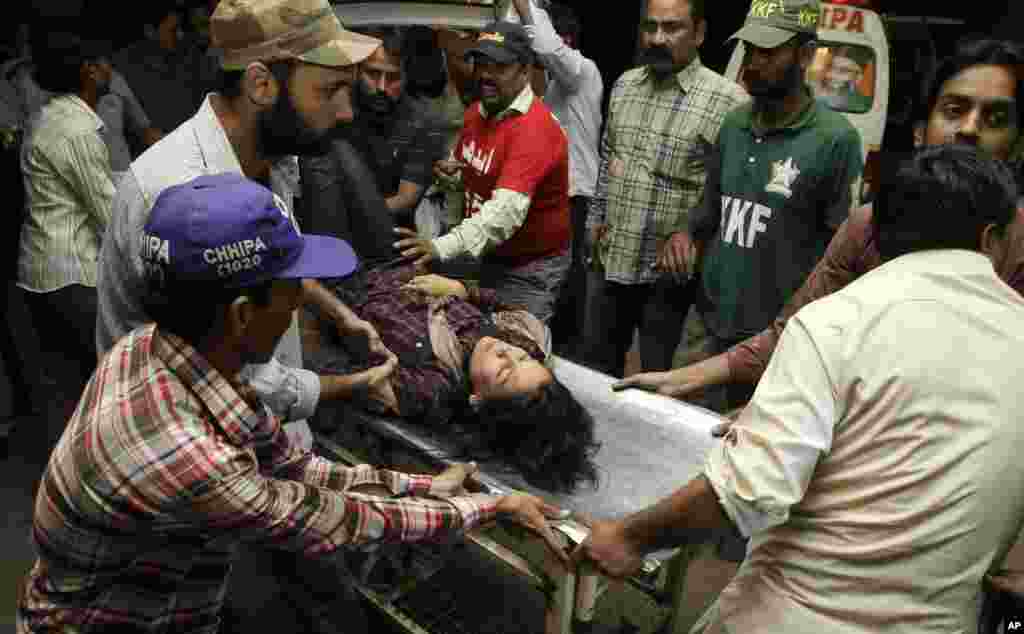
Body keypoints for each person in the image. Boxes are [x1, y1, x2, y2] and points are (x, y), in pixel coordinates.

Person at [16, 173, 566, 634]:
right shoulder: (189, 453)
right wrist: (490, 507)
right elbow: (335, 520)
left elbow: (294, 467)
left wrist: (425, 485)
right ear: (240, 315)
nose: (302, 300)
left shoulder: (158, 349)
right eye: (292, 288)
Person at [577, 144, 1024, 634]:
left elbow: (744, 492)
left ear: (878, 237)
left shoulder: (840, 322)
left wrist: (628, 538)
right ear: (992, 238)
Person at [617, 38, 1024, 416]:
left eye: (995, 117)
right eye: (954, 110)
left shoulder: (1016, 250)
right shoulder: (869, 228)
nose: (970, 129)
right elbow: (796, 330)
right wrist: (686, 377)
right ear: (920, 131)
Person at [96, 0, 396, 453]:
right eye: (330, 90)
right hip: (200, 451)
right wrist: (354, 384)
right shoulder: (179, 196)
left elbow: (269, 257)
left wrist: (340, 314)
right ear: (261, 84)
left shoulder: (275, 158)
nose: (346, 112)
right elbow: (237, 378)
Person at [666, 0, 862, 411]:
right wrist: (684, 232)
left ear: (806, 55)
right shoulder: (735, 123)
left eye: (769, 52)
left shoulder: (835, 140)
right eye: (751, 50)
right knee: (673, 424)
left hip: (776, 339)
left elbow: (841, 253)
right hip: (707, 323)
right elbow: (708, 207)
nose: (754, 63)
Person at [308, 265, 600, 493]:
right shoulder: (528, 341)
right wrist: (461, 288)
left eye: (503, 370)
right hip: (394, 261)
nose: (506, 351)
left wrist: (317, 303)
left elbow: (332, 370)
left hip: (339, 284)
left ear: (478, 401)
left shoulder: (429, 388)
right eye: (523, 358)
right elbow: (504, 305)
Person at [581, 0, 747, 378]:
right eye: (650, 27)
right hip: (612, 259)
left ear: (700, 34)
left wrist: (695, 238)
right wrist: (594, 219)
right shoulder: (625, 85)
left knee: (659, 382)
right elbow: (610, 157)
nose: (658, 38)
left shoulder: (729, 101)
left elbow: (731, 189)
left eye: (672, 28)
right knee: (596, 371)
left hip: (670, 279)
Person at [393, 21, 571, 324]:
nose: (485, 75)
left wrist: (438, 246)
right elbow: (473, 178)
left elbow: (502, 216)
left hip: (529, 268)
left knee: (517, 350)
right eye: (481, 64)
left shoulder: (535, 130)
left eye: (499, 67)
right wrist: (453, 179)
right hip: (486, 254)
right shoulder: (478, 112)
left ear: (525, 71)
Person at [18, 32, 116, 393]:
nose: (112, 72)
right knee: (106, 382)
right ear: (90, 71)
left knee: (70, 387)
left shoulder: (46, 118)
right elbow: (109, 214)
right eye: (106, 64)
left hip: (42, 271)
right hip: (71, 276)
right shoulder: (76, 130)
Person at [510, 0, 604, 357]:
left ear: (567, 41)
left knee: (568, 281)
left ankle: (570, 354)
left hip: (575, 196)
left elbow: (546, 46)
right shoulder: (551, 89)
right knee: (551, 274)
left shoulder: (584, 72)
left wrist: (525, 6)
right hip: (554, 195)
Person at [345, 26, 449, 225]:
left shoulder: (422, 122)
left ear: (405, 77)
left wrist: (347, 215)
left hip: (391, 230)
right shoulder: (341, 108)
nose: (382, 87)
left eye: (393, 78)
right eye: (373, 74)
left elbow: (405, 200)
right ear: (357, 71)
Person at [114, 4, 208, 134]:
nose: (180, 35)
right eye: (173, 30)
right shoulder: (126, 69)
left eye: (180, 28)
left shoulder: (190, 59)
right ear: (150, 32)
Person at [816, 45, 873, 113]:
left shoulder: (863, 107)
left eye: (843, 70)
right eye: (831, 67)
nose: (830, 75)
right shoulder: (817, 95)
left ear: (858, 77)